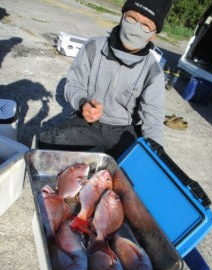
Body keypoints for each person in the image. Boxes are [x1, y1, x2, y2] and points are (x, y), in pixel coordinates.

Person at [38, 0, 172, 159]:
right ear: (122, 16)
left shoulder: (153, 71)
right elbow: (73, 84)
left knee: (136, 171)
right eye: (132, 18)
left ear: (154, 34)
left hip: (124, 131)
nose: (136, 28)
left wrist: (156, 156)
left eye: (146, 25)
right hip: (87, 123)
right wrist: (82, 103)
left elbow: (153, 121)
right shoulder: (93, 46)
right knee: (46, 150)